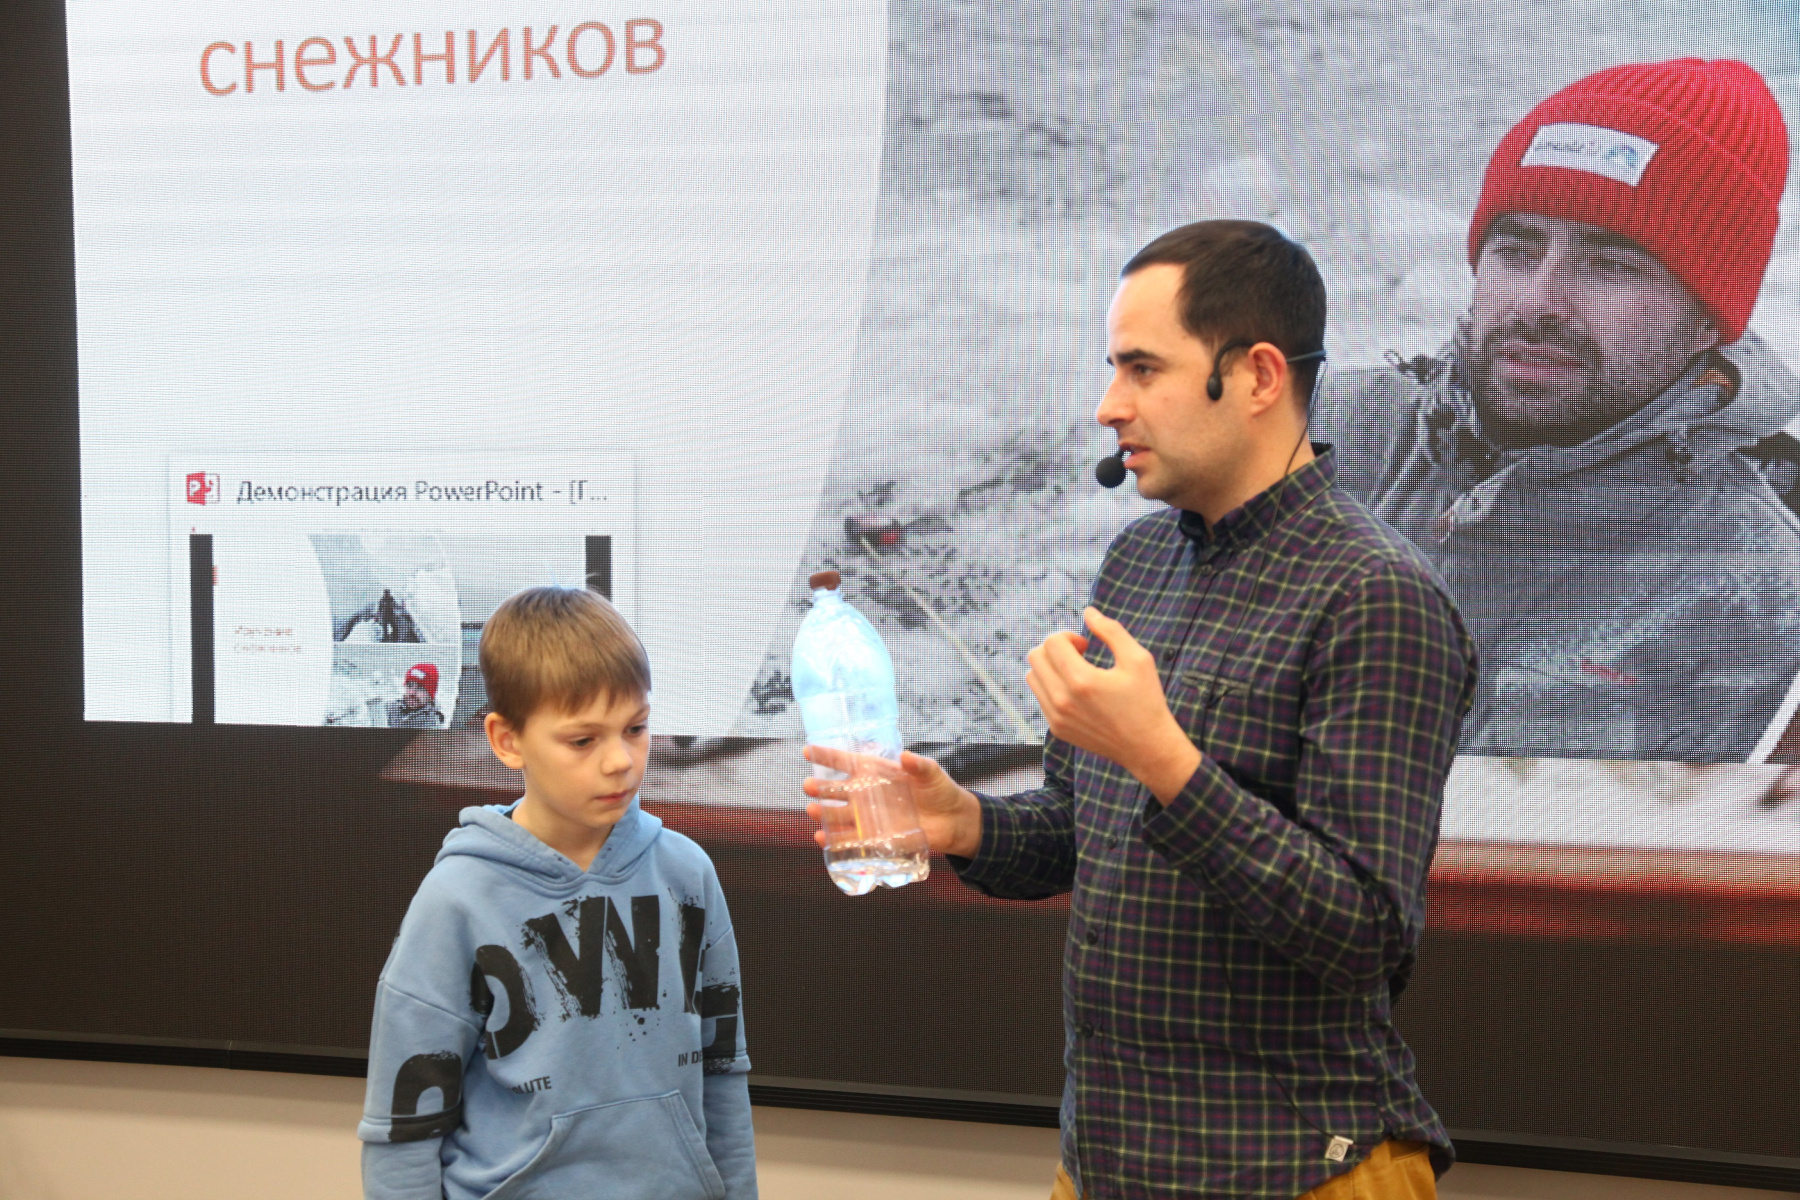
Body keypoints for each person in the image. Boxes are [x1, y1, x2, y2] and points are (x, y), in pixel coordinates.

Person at [809, 221, 1478, 1198]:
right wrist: (966, 822)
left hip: (1296, 1173)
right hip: (1106, 1165)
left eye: (1142, 369)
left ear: (1257, 376)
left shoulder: (1377, 595)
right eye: (1113, 369)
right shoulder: (1139, 562)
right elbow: (1084, 829)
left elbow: (1363, 936)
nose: (1108, 406)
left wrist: (1165, 759)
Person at [1313, 57, 1800, 762]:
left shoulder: (1749, 587)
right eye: (1518, 250)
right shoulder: (1319, 439)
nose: (1542, 301)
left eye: (1612, 266)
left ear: (1706, 324)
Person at [359, 586, 756, 1200]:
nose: (620, 760)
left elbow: (724, 1072)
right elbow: (404, 1126)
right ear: (507, 740)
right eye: (582, 740)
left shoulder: (688, 873)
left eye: (636, 728)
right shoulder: (456, 899)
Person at [386, 662, 447, 729]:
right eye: (409, 686)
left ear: (430, 695)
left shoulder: (432, 723)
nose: (412, 692)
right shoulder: (389, 709)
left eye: (420, 688)